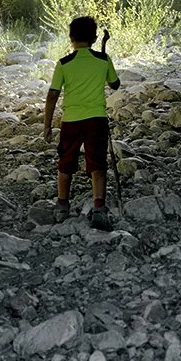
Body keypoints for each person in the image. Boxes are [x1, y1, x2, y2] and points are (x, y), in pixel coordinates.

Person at [43, 15, 120, 230]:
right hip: (96, 120)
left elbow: (52, 95)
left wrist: (47, 125)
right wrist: (104, 59)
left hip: (71, 121)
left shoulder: (64, 64)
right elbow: (115, 85)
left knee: (66, 161)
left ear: (71, 38)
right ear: (95, 38)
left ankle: (62, 205)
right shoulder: (103, 60)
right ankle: (99, 207)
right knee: (97, 163)